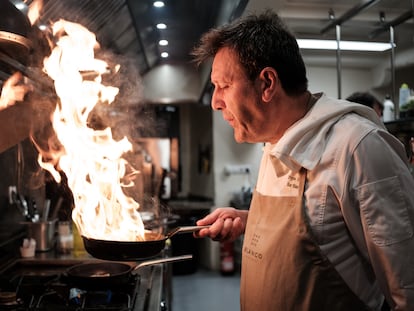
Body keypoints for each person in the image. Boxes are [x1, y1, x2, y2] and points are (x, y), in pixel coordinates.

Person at [191, 9, 414, 311]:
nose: (216, 102)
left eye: (223, 86)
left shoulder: (358, 147)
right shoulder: (274, 144)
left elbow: (407, 286)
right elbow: (324, 230)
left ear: (267, 83)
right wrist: (251, 221)